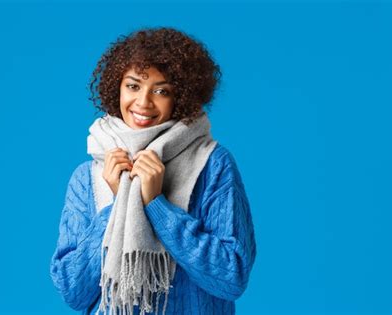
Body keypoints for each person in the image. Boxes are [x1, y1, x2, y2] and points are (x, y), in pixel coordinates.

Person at [49, 27, 257, 315]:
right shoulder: (88, 177)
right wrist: (114, 205)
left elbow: (230, 278)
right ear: (116, 88)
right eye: (133, 86)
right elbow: (73, 291)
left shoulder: (213, 164)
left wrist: (157, 206)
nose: (143, 102)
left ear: (182, 97)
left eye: (161, 91)